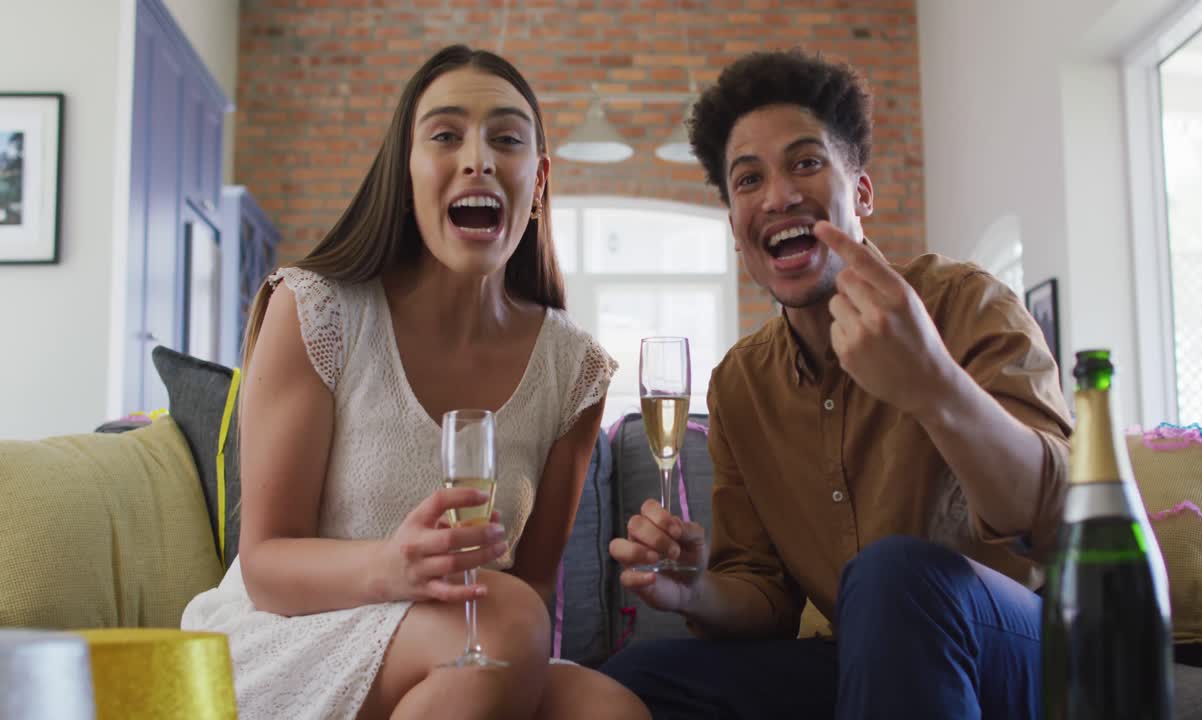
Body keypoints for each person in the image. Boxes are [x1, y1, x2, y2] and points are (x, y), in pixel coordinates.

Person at [600, 49, 1073, 720]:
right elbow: (765, 596)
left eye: (805, 163)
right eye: (748, 179)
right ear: (735, 227)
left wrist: (934, 386)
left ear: (863, 193)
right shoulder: (740, 385)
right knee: (634, 679)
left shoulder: (965, 303)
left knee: (892, 577)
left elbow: (1058, 514)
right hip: (871, 659)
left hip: (1023, 652)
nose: (778, 196)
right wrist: (695, 591)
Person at [182, 45, 649, 720]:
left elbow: (534, 586)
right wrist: (390, 567)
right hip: (289, 633)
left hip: (471, 642)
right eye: (445, 135)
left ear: (539, 180)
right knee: (506, 623)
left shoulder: (575, 369)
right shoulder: (317, 310)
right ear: (405, 174)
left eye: (507, 139)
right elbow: (266, 567)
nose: (478, 159)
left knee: (608, 709)